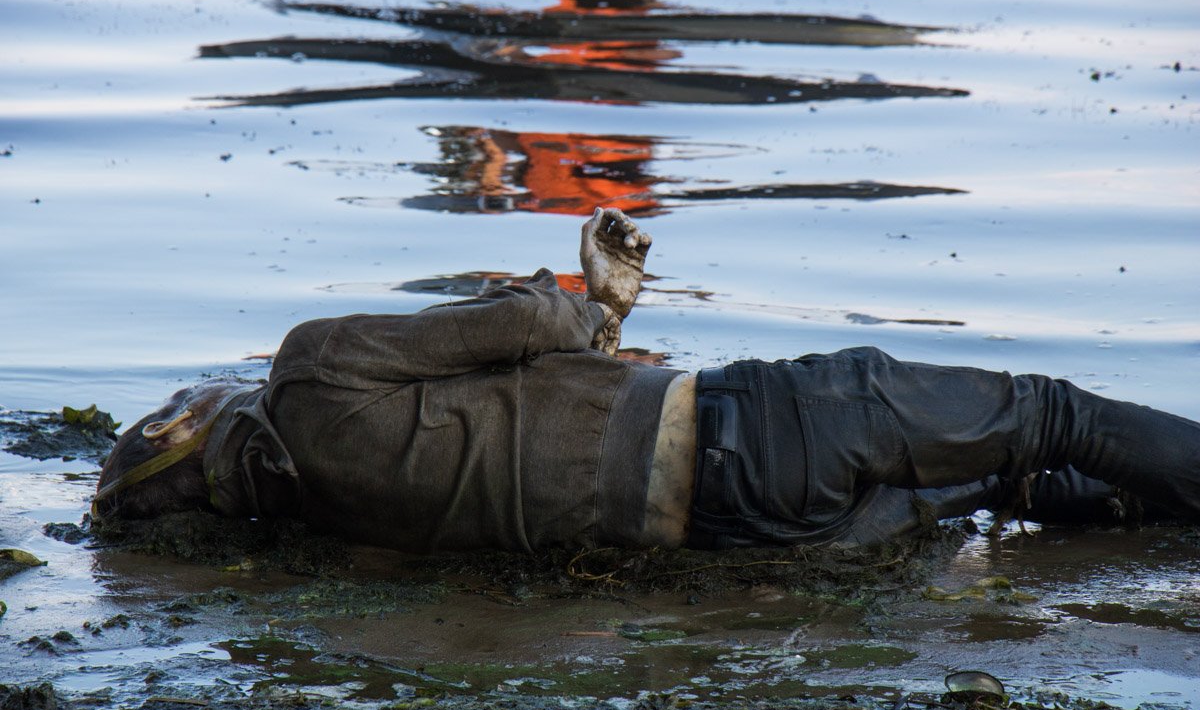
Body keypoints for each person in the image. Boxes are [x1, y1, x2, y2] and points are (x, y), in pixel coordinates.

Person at [92, 209, 1200, 552]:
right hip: (759, 427)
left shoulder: (306, 524)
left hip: (740, 528)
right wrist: (583, 297)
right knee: (1045, 415)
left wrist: (603, 316)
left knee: (1002, 494)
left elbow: (512, 452)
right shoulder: (306, 372)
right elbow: (519, 324)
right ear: (181, 420)